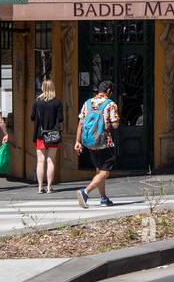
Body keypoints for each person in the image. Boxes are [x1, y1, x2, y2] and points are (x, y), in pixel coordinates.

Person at [74, 79, 120, 207]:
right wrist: (113, 122)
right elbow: (115, 125)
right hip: (105, 142)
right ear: (109, 91)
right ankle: (85, 192)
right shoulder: (111, 104)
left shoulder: (88, 103)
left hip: (91, 142)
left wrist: (77, 141)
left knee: (99, 170)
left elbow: (81, 124)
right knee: (105, 172)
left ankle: (104, 198)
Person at [30, 79, 64, 194]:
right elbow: (60, 119)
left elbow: (32, 117)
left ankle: (40, 187)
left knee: (40, 161)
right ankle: (49, 187)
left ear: (42, 88)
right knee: (51, 161)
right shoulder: (57, 102)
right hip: (53, 135)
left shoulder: (37, 102)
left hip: (40, 135)